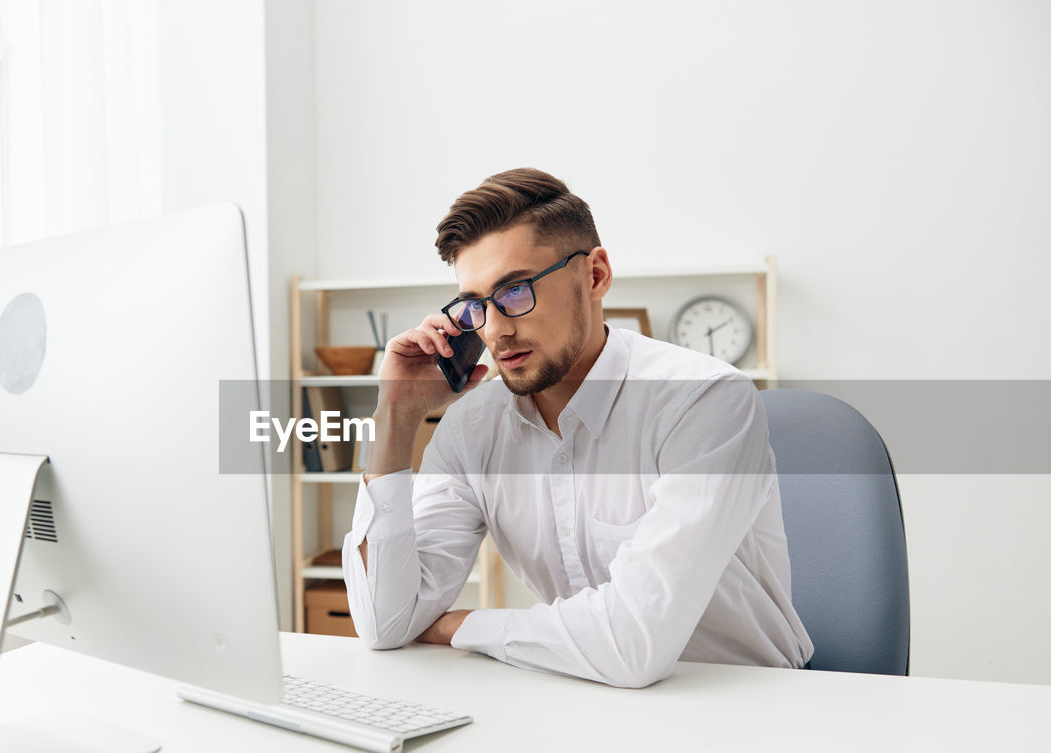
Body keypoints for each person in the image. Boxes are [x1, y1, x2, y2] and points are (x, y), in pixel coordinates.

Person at [340, 168, 813, 688]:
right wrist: (396, 417)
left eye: (516, 291)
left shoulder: (704, 399)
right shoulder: (472, 428)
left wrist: (461, 626)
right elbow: (386, 622)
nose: (495, 329)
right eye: (474, 306)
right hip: (586, 699)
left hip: (754, 712)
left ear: (595, 275)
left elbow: (634, 644)